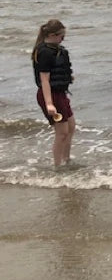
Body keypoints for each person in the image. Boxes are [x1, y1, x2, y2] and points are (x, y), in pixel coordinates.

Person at [32, 18, 77, 169]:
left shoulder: (58, 51)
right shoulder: (44, 52)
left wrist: (67, 77)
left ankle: (66, 160)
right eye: (61, 36)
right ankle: (57, 167)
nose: (63, 39)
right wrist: (49, 103)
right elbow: (44, 80)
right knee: (62, 132)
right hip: (49, 95)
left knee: (71, 126)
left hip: (60, 93)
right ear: (51, 35)